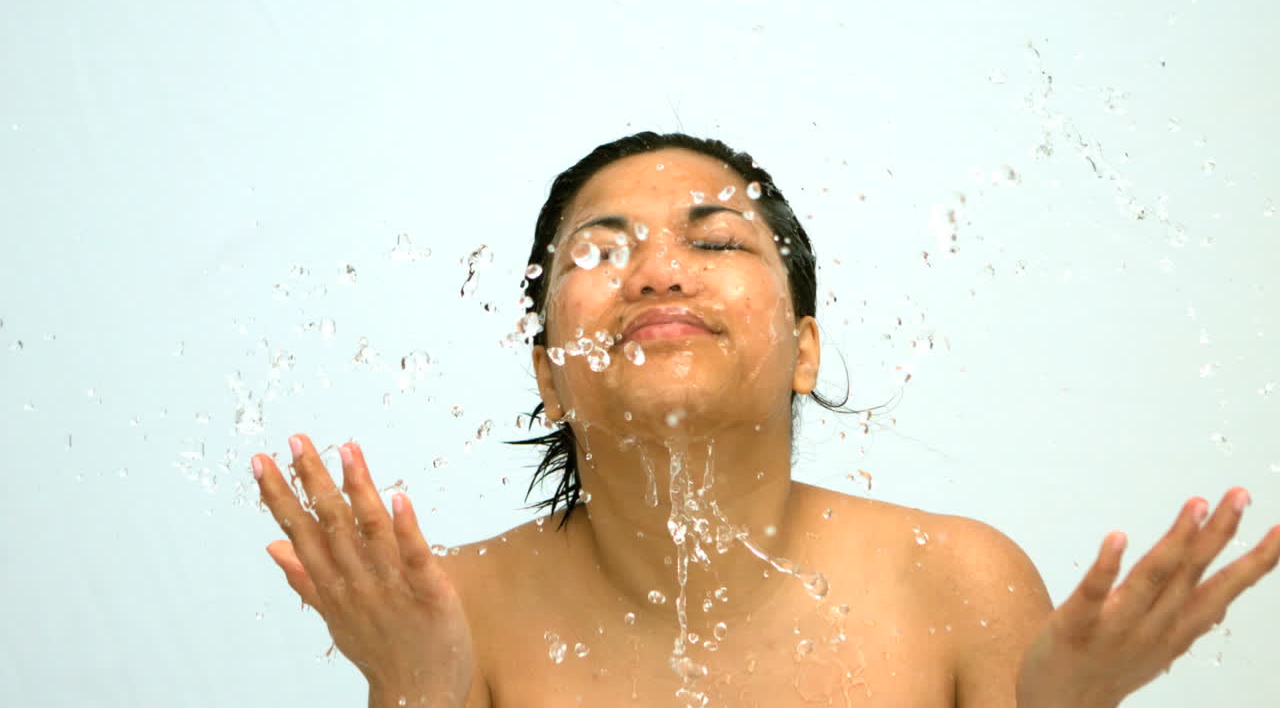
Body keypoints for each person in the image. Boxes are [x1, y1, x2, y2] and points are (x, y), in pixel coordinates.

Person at [251, 132, 1280, 708]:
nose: (656, 270)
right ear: (548, 375)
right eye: (601, 251)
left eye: (716, 241)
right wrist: (420, 690)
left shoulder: (955, 581)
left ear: (803, 349)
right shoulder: (453, 608)